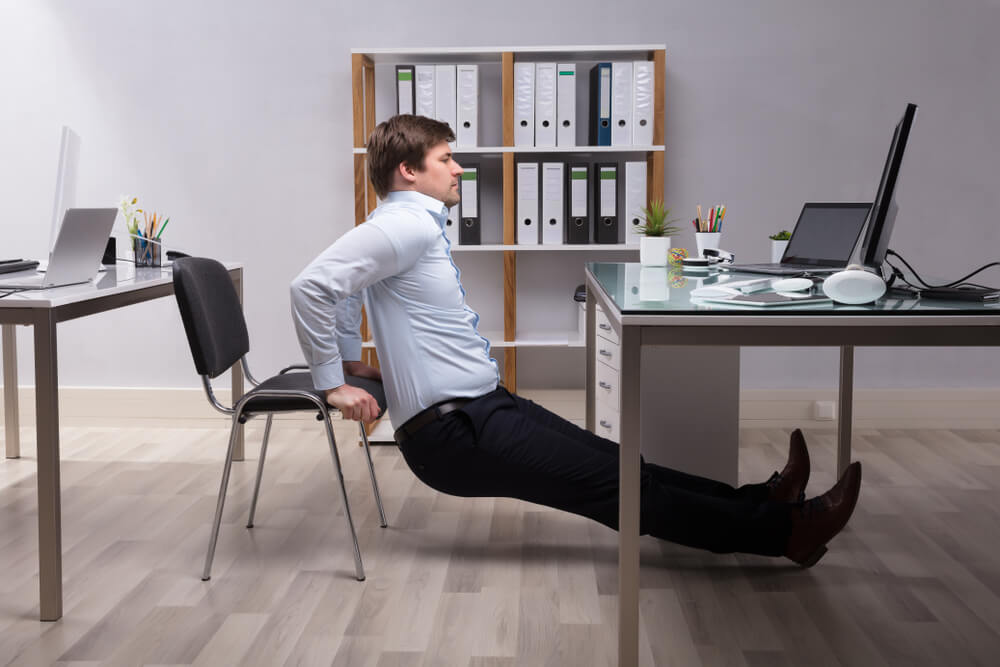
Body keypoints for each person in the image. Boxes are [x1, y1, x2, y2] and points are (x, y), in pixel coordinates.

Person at [290, 114, 861, 567]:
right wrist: (332, 383)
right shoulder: (404, 223)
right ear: (409, 171)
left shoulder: (407, 225)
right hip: (454, 433)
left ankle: (762, 500)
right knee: (619, 487)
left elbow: (342, 292)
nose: (459, 168)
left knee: (623, 466)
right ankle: (787, 533)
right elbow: (313, 286)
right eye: (446, 159)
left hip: (482, 408)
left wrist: (345, 358)